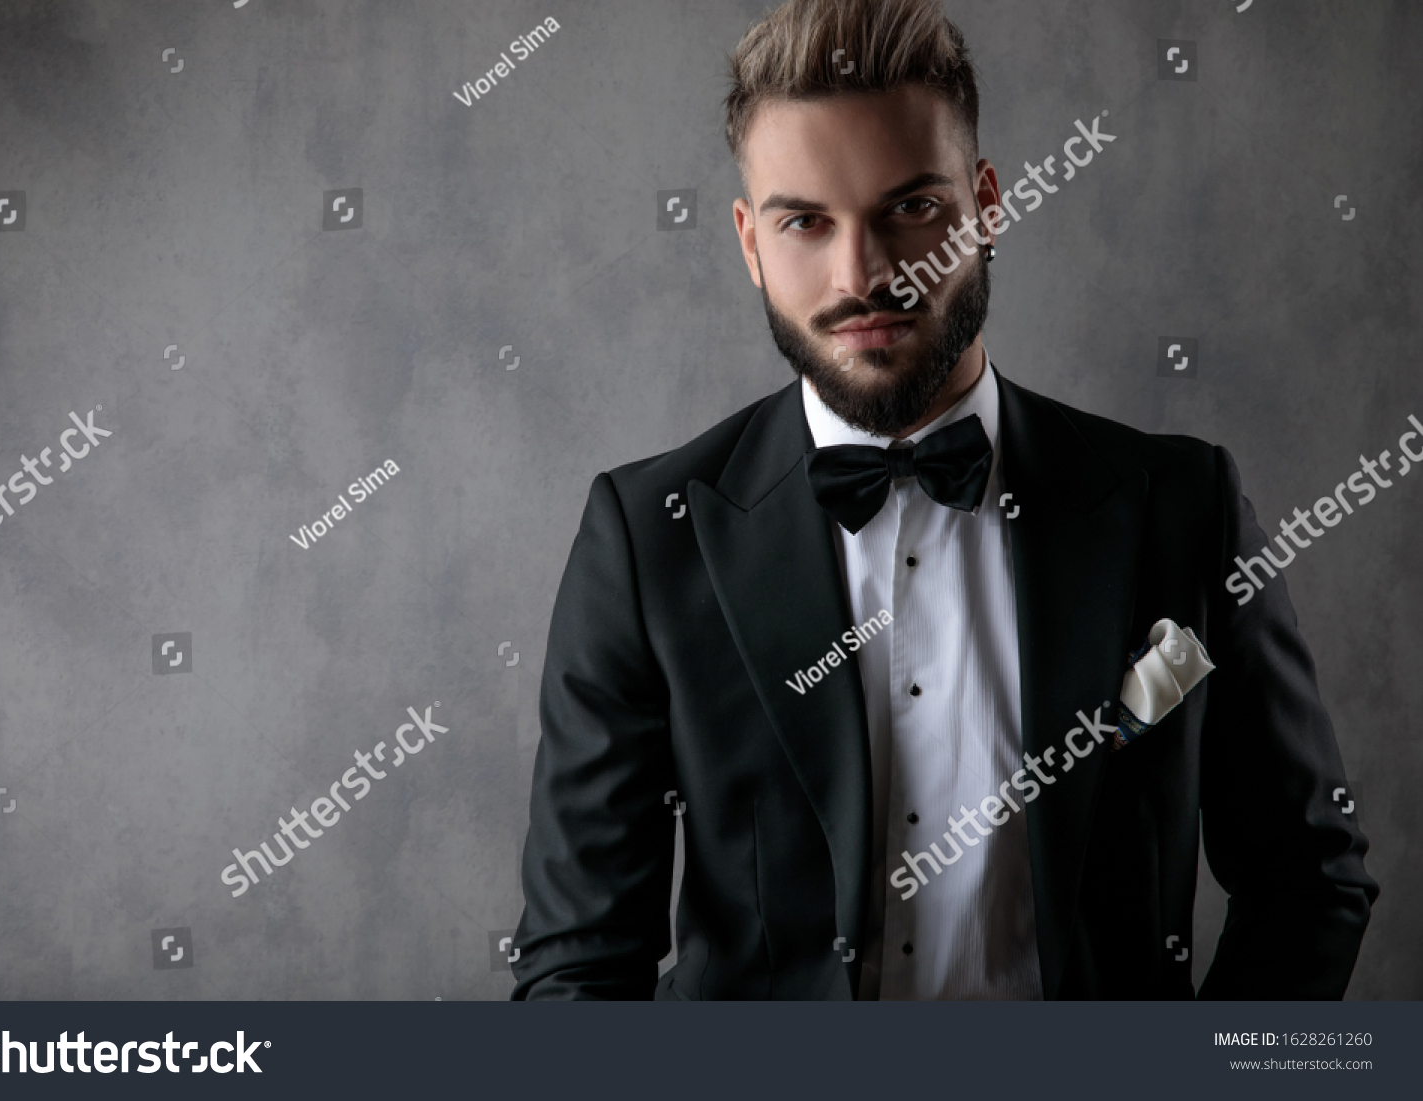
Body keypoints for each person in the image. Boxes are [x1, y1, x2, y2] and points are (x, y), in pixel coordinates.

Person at [510, 0, 1377, 1000]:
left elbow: (1308, 877)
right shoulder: (643, 539)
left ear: (987, 202)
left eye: (910, 209)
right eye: (806, 222)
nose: (862, 274)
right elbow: (577, 965)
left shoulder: (1182, 507)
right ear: (750, 243)